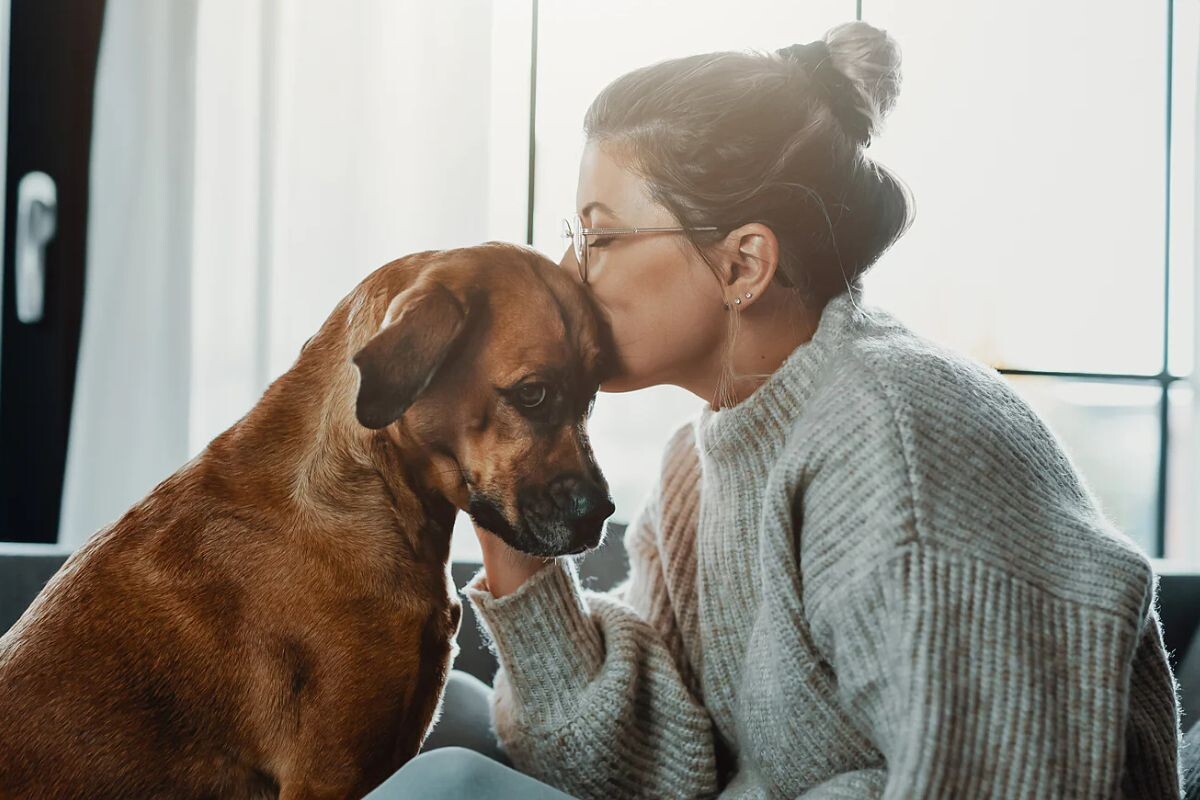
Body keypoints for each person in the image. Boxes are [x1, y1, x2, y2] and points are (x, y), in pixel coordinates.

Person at [368, 19, 1183, 800]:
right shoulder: (701, 463)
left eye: (601, 236)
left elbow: (982, 778)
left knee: (450, 784)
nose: (567, 273)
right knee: (449, 713)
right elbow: (645, 766)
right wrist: (505, 486)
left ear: (743, 264)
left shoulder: (897, 436)